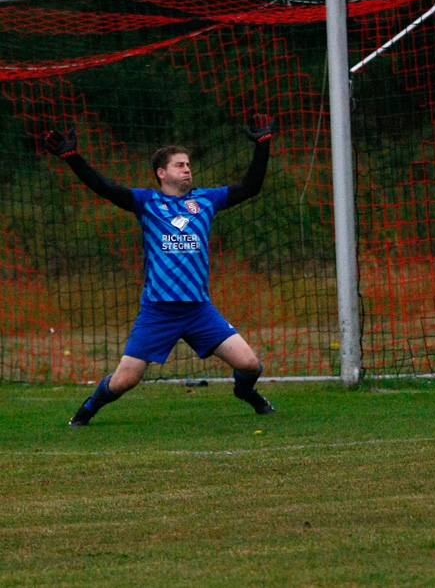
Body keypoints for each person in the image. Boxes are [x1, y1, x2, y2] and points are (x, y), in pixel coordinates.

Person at [43, 112, 278, 427]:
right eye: (180, 165)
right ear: (161, 173)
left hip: (199, 310)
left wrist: (262, 144)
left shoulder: (207, 200)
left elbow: (251, 187)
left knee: (250, 365)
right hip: (158, 311)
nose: (187, 169)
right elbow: (105, 188)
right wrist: (73, 158)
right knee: (125, 380)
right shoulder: (147, 203)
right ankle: (86, 411)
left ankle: (246, 394)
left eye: (188, 164)